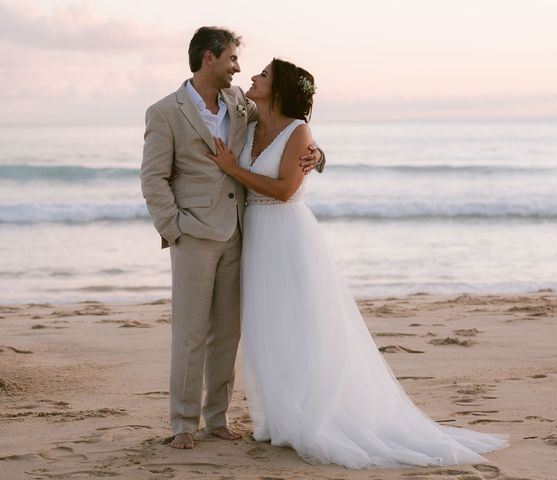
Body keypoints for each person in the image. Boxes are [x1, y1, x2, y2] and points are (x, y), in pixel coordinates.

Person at [207, 58, 508, 468]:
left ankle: (310, 415)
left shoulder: (299, 131)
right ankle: (279, 418)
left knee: (302, 326)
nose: (253, 77)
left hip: (288, 233)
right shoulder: (249, 115)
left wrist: (234, 169)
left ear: (278, 90)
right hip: (256, 237)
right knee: (267, 326)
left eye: (263, 74)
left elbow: (283, 189)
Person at [140, 27, 324, 450]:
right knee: (189, 333)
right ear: (209, 58)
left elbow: (287, 129)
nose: (239, 68)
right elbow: (153, 180)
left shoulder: (240, 103)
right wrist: (175, 228)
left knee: (226, 333)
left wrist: (318, 154)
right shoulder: (165, 111)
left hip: (240, 233)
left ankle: (216, 418)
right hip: (194, 235)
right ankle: (183, 423)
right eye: (233, 59)